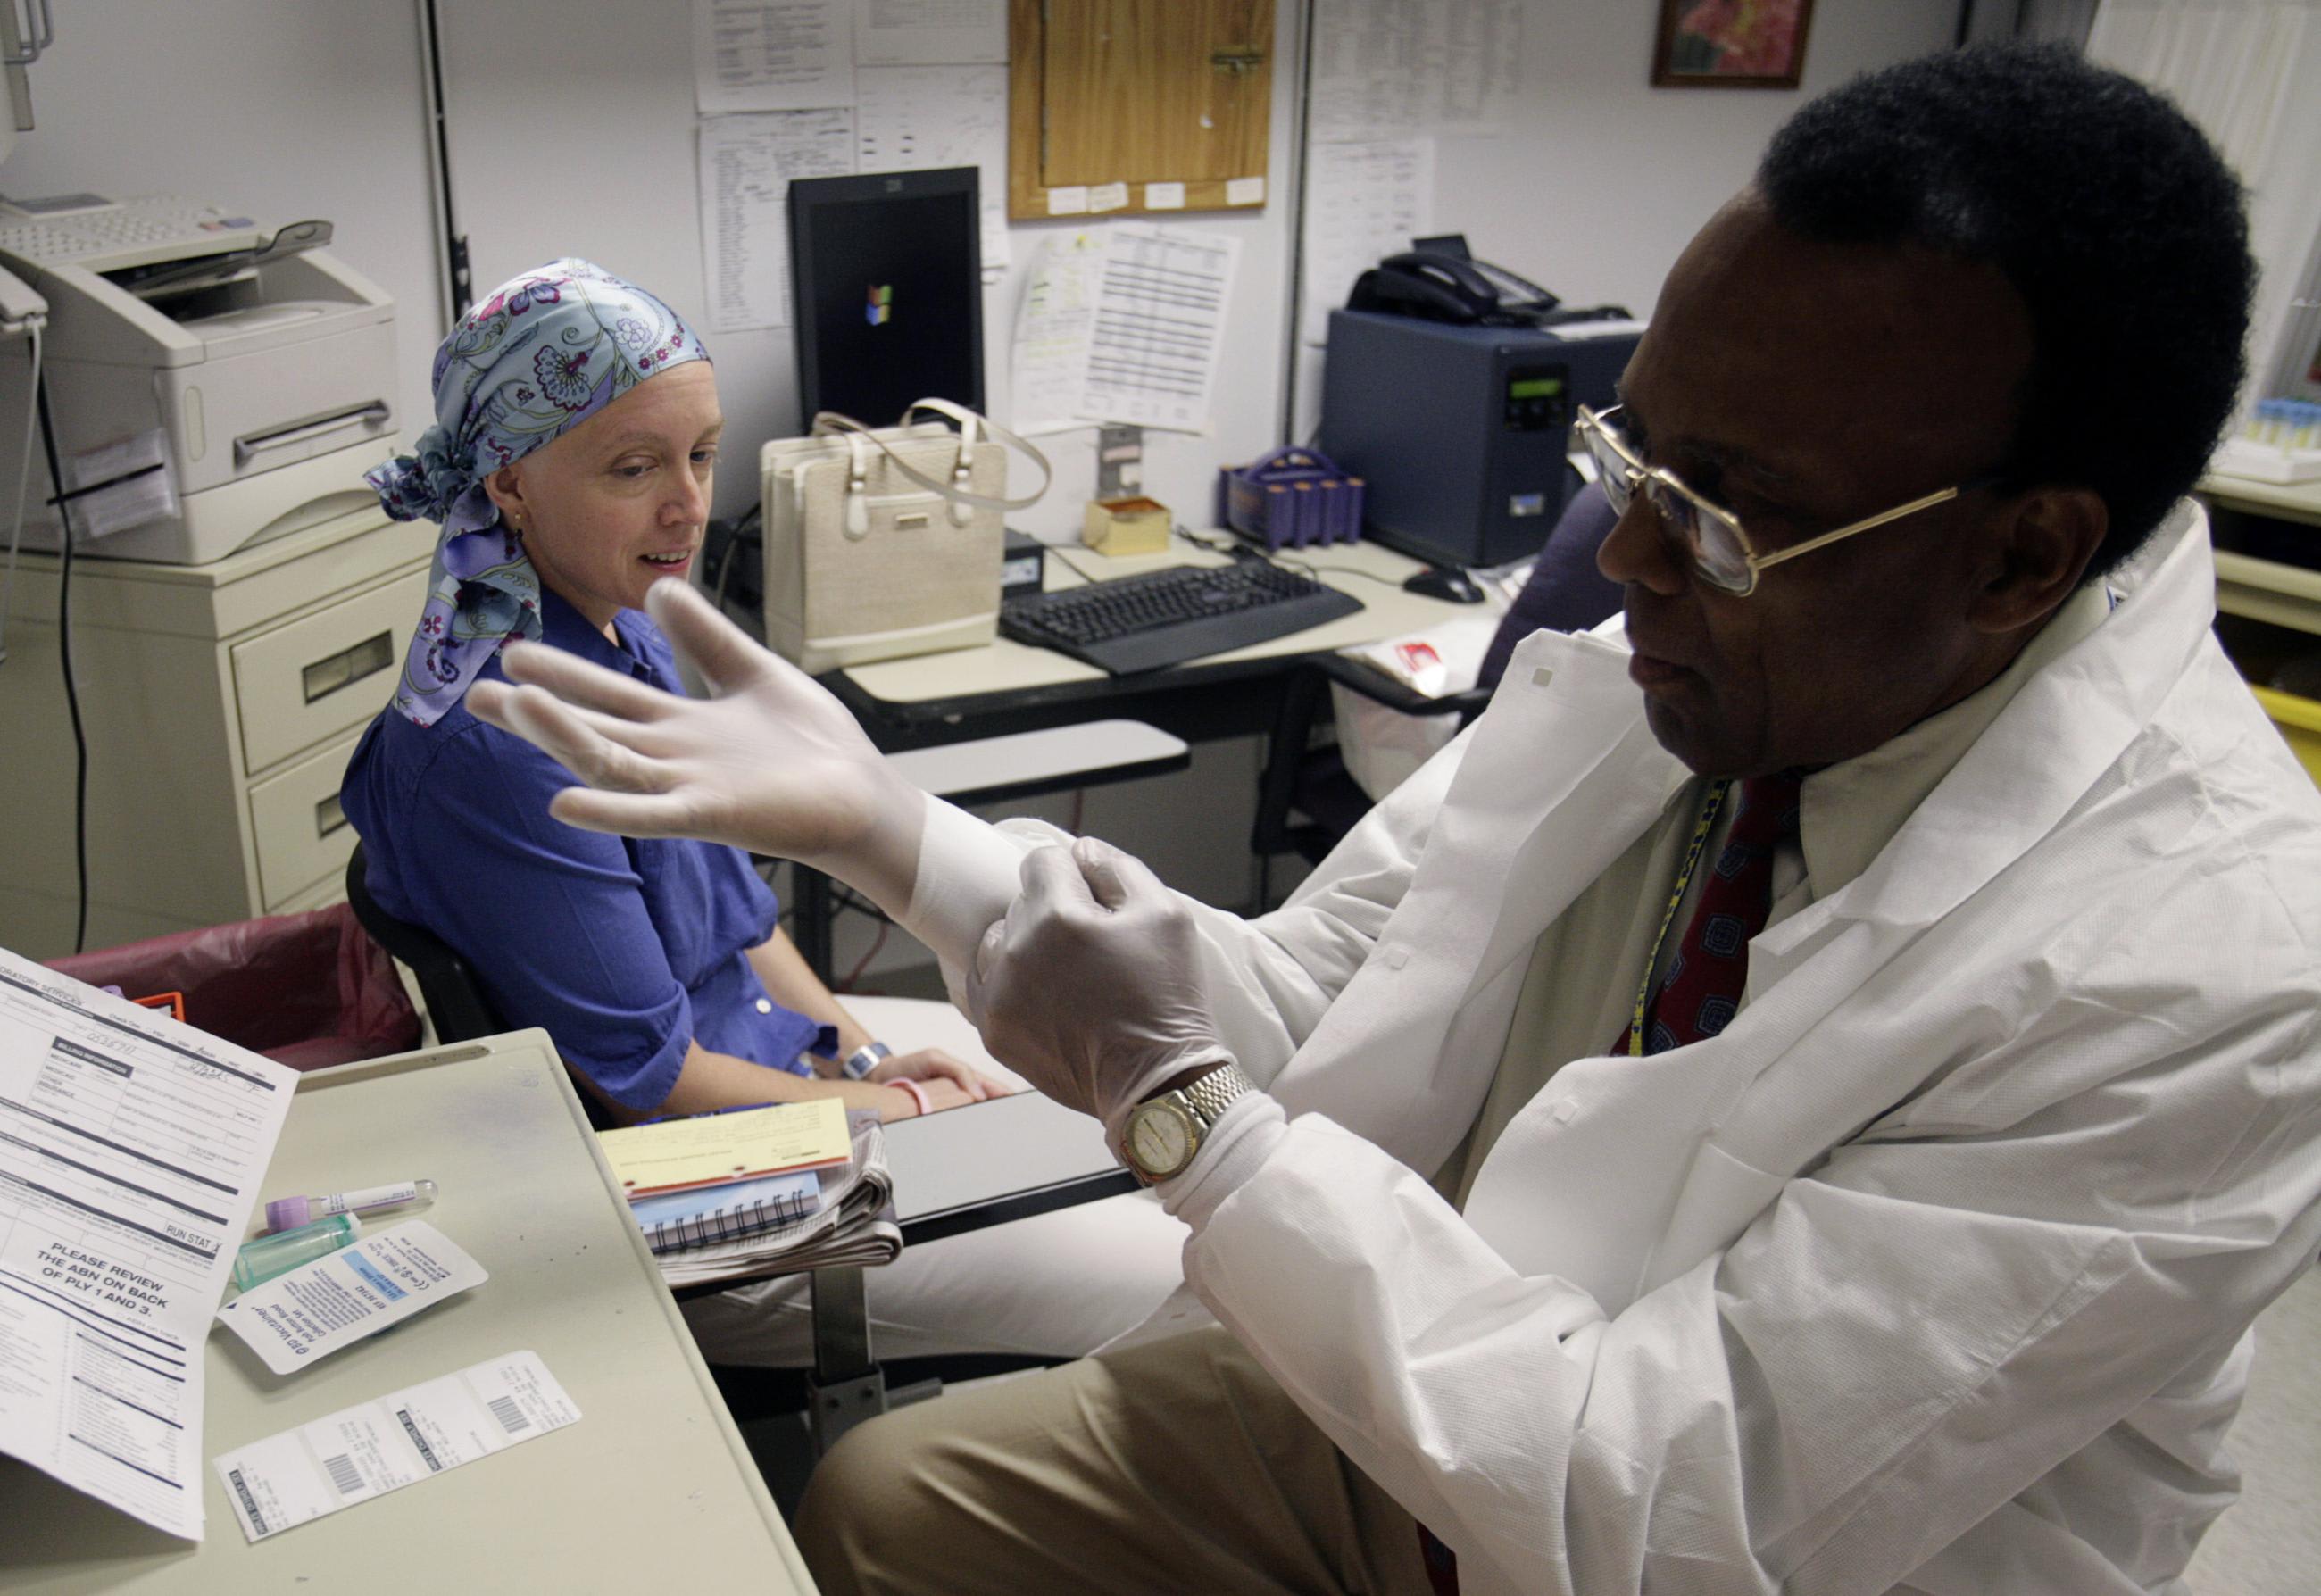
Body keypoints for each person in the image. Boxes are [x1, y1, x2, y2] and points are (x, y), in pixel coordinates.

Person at [469, 46, 2321, 1596]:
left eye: (1725, 511)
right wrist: (890, 826)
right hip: (1457, 1351)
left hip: (1721, 1531)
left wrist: (1183, 1117)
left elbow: (1655, 1509)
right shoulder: (1708, 675)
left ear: (2021, 556)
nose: (1628, 561)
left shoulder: (2197, 969)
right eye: (1631, 458)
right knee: (884, 1509)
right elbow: (1310, 998)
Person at [344, 259, 1185, 1367]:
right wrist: (888, 1112)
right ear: (508, 483)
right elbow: (646, 1082)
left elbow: (743, 924)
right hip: (685, 1192)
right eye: (635, 467)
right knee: (1173, 1287)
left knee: (1106, 1088)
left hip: (765, 1069)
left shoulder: (624, 628)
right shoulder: (501, 740)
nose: (688, 505)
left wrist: (864, 1052)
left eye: (700, 453)